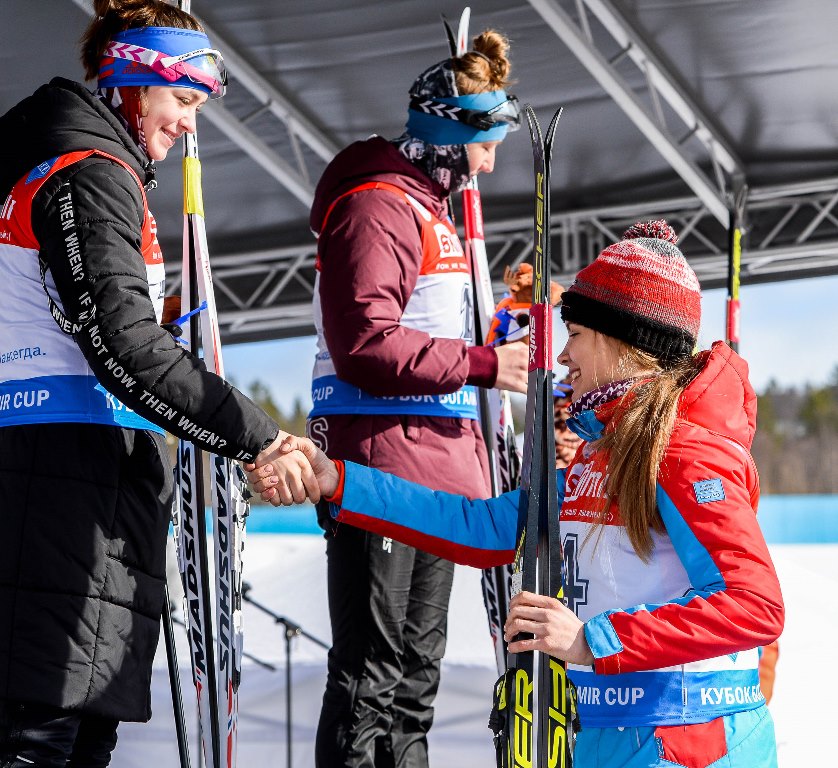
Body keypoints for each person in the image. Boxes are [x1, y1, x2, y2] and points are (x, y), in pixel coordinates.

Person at [251, 221, 786, 768]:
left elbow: (754, 605)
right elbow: (477, 526)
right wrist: (338, 479)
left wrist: (592, 641)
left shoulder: (684, 451)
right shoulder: (599, 455)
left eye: (573, 335)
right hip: (606, 735)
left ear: (618, 339)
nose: (563, 357)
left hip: (687, 741)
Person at [0, 2, 311, 765]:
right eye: (182, 102)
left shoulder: (96, 172)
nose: (188, 126)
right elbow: (125, 347)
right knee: (41, 742)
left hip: (87, 499)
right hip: (57, 501)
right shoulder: (87, 174)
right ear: (133, 84)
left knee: (73, 738)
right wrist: (257, 435)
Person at [302, 27, 528, 768]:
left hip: (434, 467)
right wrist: (487, 363)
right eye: (485, 141)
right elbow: (365, 341)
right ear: (448, 133)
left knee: (412, 686)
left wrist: (510, 334)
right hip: (380, 464)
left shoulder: (430, 209)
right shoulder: (377, 206)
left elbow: (437, 331)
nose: (490, 162)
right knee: (371, 680)